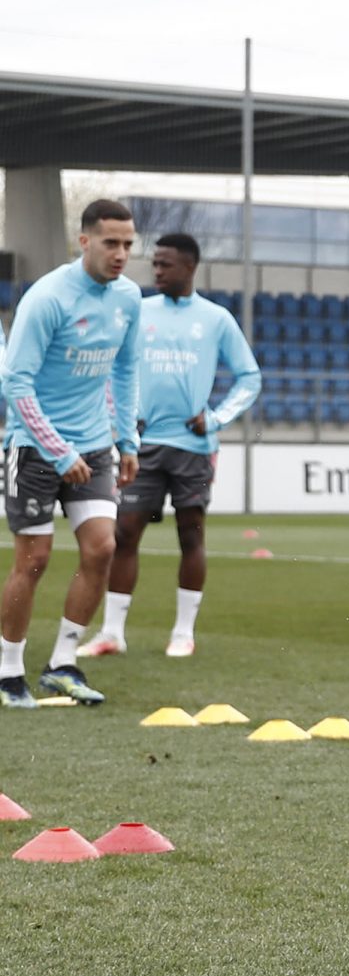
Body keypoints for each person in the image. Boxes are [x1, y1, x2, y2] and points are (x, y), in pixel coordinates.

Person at [77, 233, 260, 660]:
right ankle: (112, 633)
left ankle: (183, 632)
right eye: (155, 263)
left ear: (190, 267)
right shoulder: (138, 312)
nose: (157, 271)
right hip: (140, 447)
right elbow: (110, 369)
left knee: (190, 535)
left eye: (166, 264)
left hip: (193, 447)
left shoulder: (216, 319)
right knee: (123, 533)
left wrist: (214, 418)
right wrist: (122, 418)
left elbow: (250, 377)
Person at [1, 199, 143, 709]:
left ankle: (62, 664)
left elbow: (126, 373)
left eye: (128, 244)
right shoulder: (49, 298)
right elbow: (15, 382)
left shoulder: (129, 298)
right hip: (34, 446)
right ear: (84, 242)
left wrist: (127, 441)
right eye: (111, 243)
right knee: (33, 560)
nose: (122, 253)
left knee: (102, 548)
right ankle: (8, 670)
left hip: (95, 444)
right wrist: (58, 452)